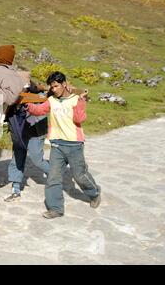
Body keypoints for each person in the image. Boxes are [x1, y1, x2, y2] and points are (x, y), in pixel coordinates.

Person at [25, 71, 101, 219]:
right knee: (53, 177)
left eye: (56, 86)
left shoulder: (75, 99)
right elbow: (40, 110)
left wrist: (81, 101)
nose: (53, 89)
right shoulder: (52, 100)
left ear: (64, 84)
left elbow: (79, 119)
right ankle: (56, 209)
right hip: (57, 145)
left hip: (74, 144)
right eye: (51, 87)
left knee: (79, 175)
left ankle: (94, 192)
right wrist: (27, 105)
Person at [4, 82, 50, 202]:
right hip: (19, 132)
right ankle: (15, 189)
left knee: (37, 160)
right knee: (16, 159)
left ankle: (55, 175)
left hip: (36, 131)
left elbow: (45, 108)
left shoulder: (39, 95)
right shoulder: (10, 96)